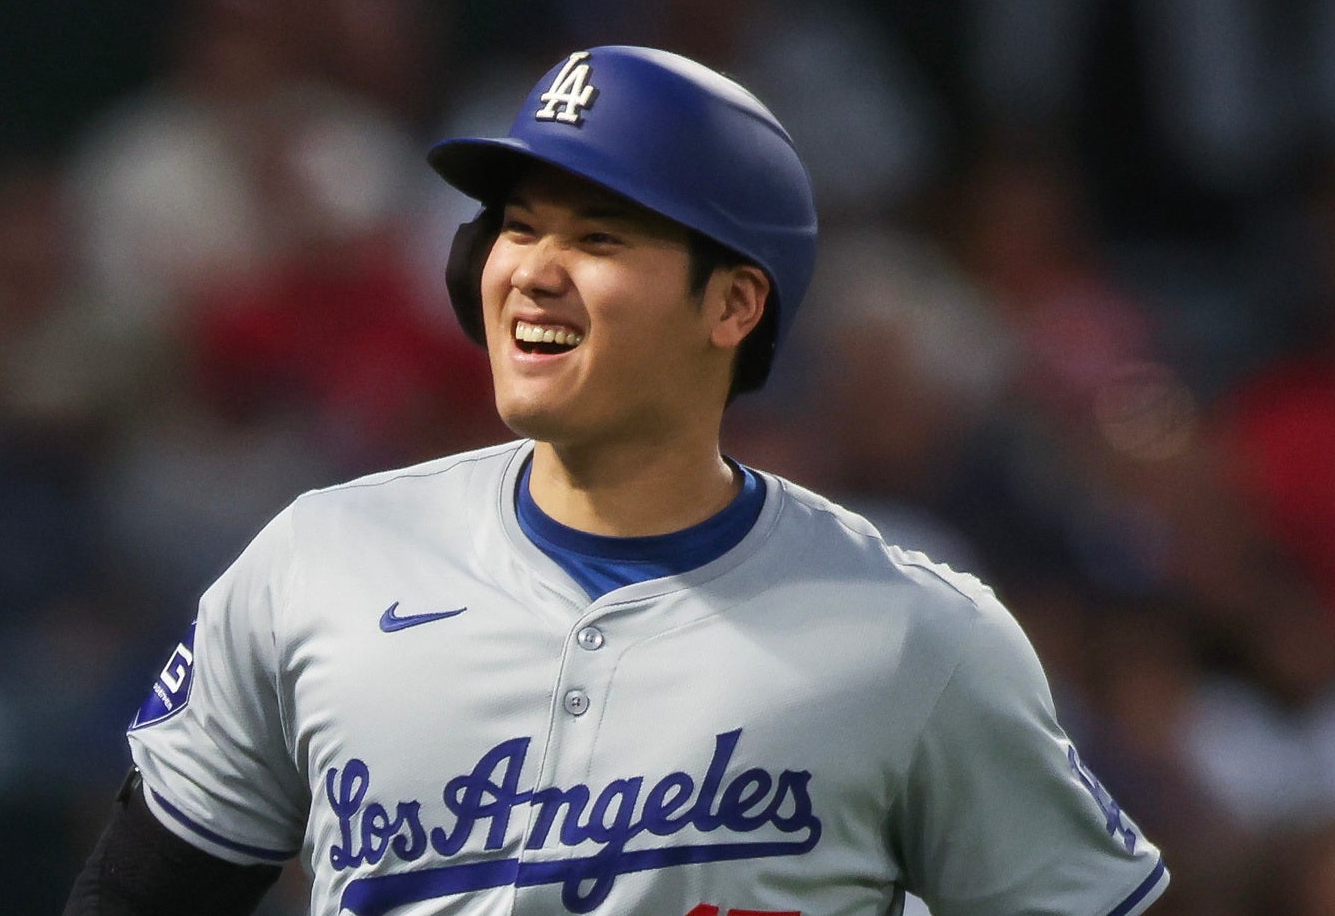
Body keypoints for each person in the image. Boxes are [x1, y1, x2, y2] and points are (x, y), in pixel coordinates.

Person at [63, 45, 1169, 916]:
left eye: (598, 234)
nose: (533, 269)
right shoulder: (320, 561)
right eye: (517, 227)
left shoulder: (915, 633)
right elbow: (136, 895)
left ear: (733, 304)